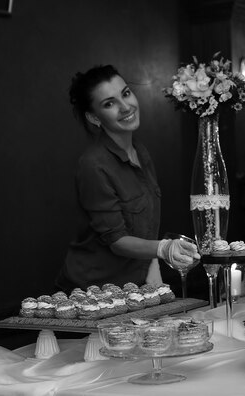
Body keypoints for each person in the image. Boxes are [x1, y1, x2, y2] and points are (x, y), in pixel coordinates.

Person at [56, 64, 199, 293]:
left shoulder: (140, 151)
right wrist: (163, 249)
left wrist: (155, 281)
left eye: (125, 93)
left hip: (135, 287)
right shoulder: (94, 165)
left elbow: (147, 228)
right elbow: (117, 241)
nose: (125, 107)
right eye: (109, 103)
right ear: (94, 117)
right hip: (93, 292)